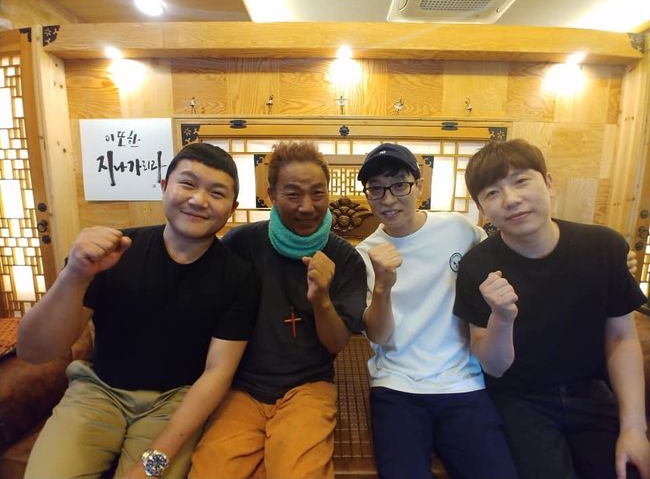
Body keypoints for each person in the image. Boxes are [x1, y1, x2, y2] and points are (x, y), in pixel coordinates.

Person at [17, 143, 258, 479]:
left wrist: (152, 465)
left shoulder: (239, 276)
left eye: (216, 193)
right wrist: (75, 275)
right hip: (96, 391)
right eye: (187, 184)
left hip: (175, 403)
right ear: (164, 186)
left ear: (231, 209)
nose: (199, 200)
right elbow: (33, 351)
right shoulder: (115, 252)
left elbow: (217, 374)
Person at [454, 138, 650, 479]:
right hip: (518, 399)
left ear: (548, 183)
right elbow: (494, 366)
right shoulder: (476, 266)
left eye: (521, 181)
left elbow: (622, 338)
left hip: (590, 390)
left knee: (627, 467)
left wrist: (634, 427)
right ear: (482, 208)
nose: (511, 199)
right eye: (492, 193)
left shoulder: (603, 247)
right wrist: (502, 317)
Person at [190, 141, 367, 479]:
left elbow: (336, 344)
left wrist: (321, 298)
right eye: (293, 194)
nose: (307, 206)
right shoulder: (241, 245)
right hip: (242, 386)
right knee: (211, 470)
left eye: (318, 193)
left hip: (309, 386)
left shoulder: (345, 258)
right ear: (271, 194)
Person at [355, 143, 519, 479]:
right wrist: (383, 285)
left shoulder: (459, 230)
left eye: (399, 185)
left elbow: (509, 252)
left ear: (419, 186)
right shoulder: (364, 255)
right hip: (395, 384)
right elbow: (379, 337)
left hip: (463, 382)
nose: (388, 199)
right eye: (376, 189)